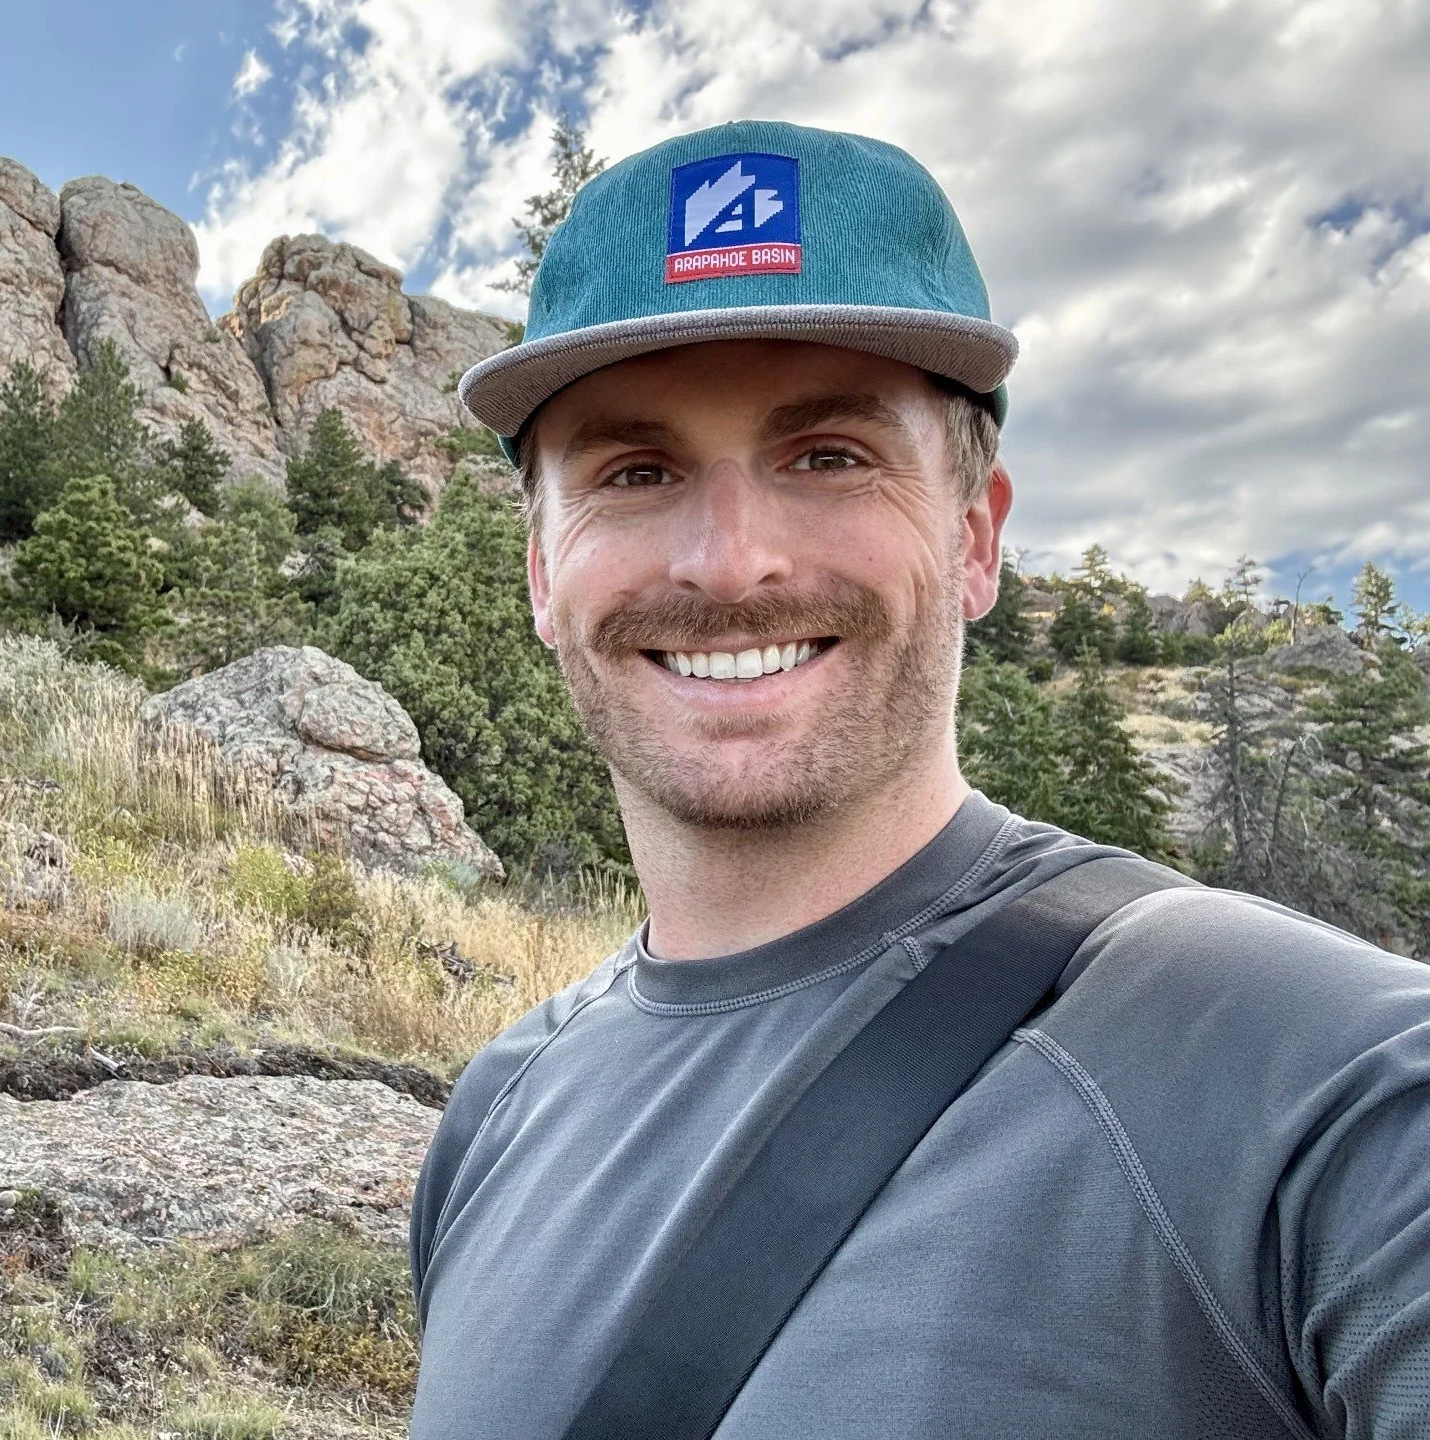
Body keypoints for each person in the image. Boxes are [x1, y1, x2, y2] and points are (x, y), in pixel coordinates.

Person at [407, 119, 1430, 1438]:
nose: (730, 561)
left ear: (975, 538)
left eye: (829, 456)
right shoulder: (496, 1117)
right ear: (544, 574)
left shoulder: (1323, 1077)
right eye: (636, 472)